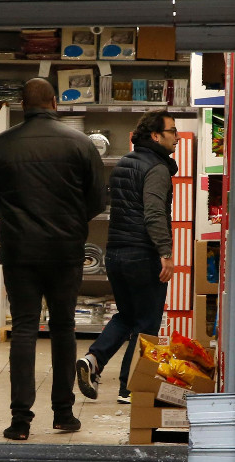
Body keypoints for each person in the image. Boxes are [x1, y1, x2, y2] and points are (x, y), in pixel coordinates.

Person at [0, 78, 106, 441]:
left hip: (19, 251)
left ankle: (20, 421)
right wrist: (68, 221)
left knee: (23, 329)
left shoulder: (2, 144)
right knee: (64, 328)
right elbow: (97, 200)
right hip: (65, 250)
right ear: (54, 101)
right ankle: (63, 414)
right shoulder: (81, 144)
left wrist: (20, 219)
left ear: (22, 103)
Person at [76, 110, 178, 404]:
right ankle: (130, 388)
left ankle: (93, 359)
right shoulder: (157, 168)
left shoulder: (123, 163)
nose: (177, 137)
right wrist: (165, 252)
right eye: (172, 131)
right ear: (156, 136)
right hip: (143, 254)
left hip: (116, 253)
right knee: (146, 324)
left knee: (127, 316)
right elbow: (154, 212)